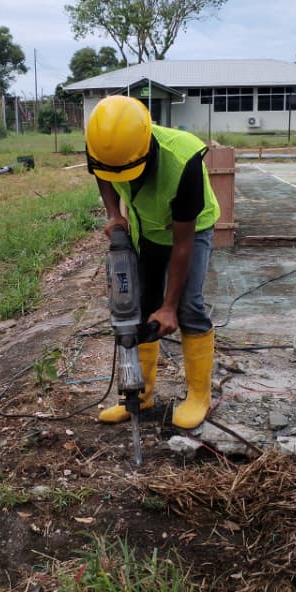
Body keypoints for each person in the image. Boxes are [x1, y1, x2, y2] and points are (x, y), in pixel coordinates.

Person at [84, 95, 221, 430]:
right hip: (147, 226)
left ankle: (199, 396)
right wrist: (115, 214)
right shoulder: (103, 143)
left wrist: (169, 305)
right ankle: (138, 396)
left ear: (146, 146)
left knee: (188, 306)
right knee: (141, 309)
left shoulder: (183, 159)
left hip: (189, 230)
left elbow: (183, 244)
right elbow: (102, 174)